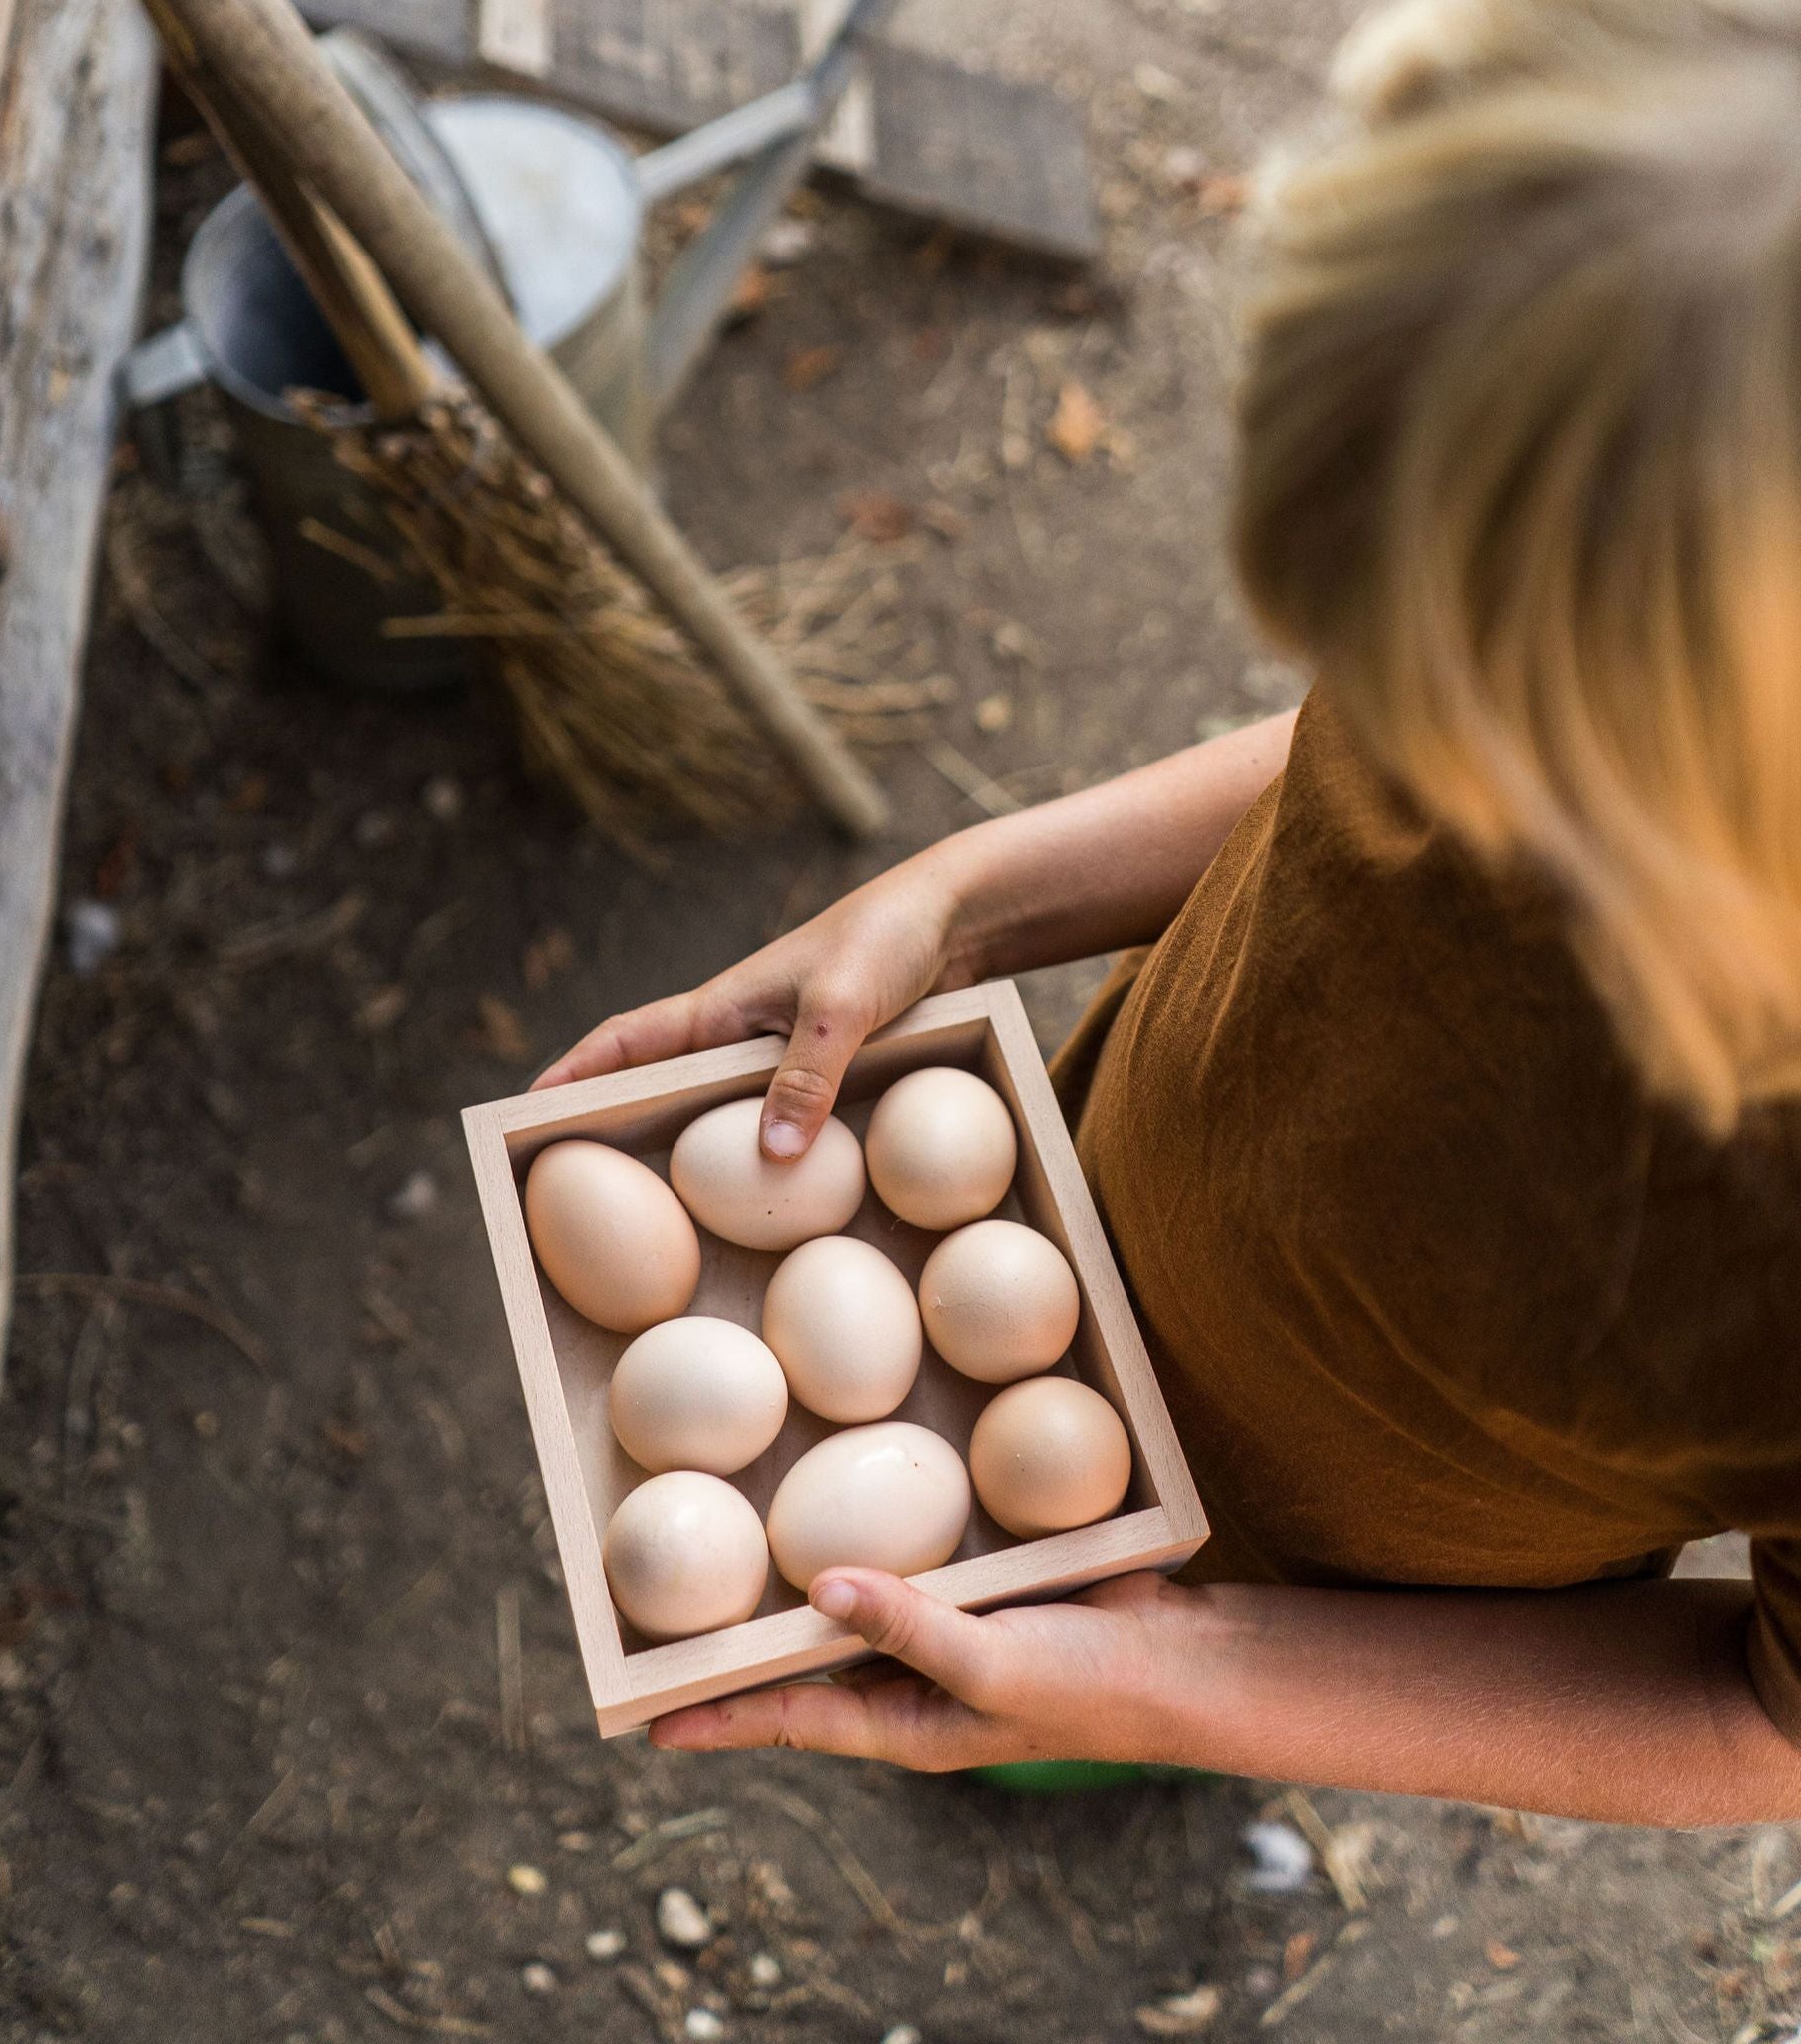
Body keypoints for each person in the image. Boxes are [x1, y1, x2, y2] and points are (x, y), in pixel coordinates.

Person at [536, 0, 1801, 1825]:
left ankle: (1097, 1756)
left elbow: (1766, 1724)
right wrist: (972, 904)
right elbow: (1327, 775)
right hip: (1117, 1181)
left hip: (1344, 1587)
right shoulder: (1654, 480)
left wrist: (1184, 1677)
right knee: (1010, 1594)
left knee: (1044, 1714)